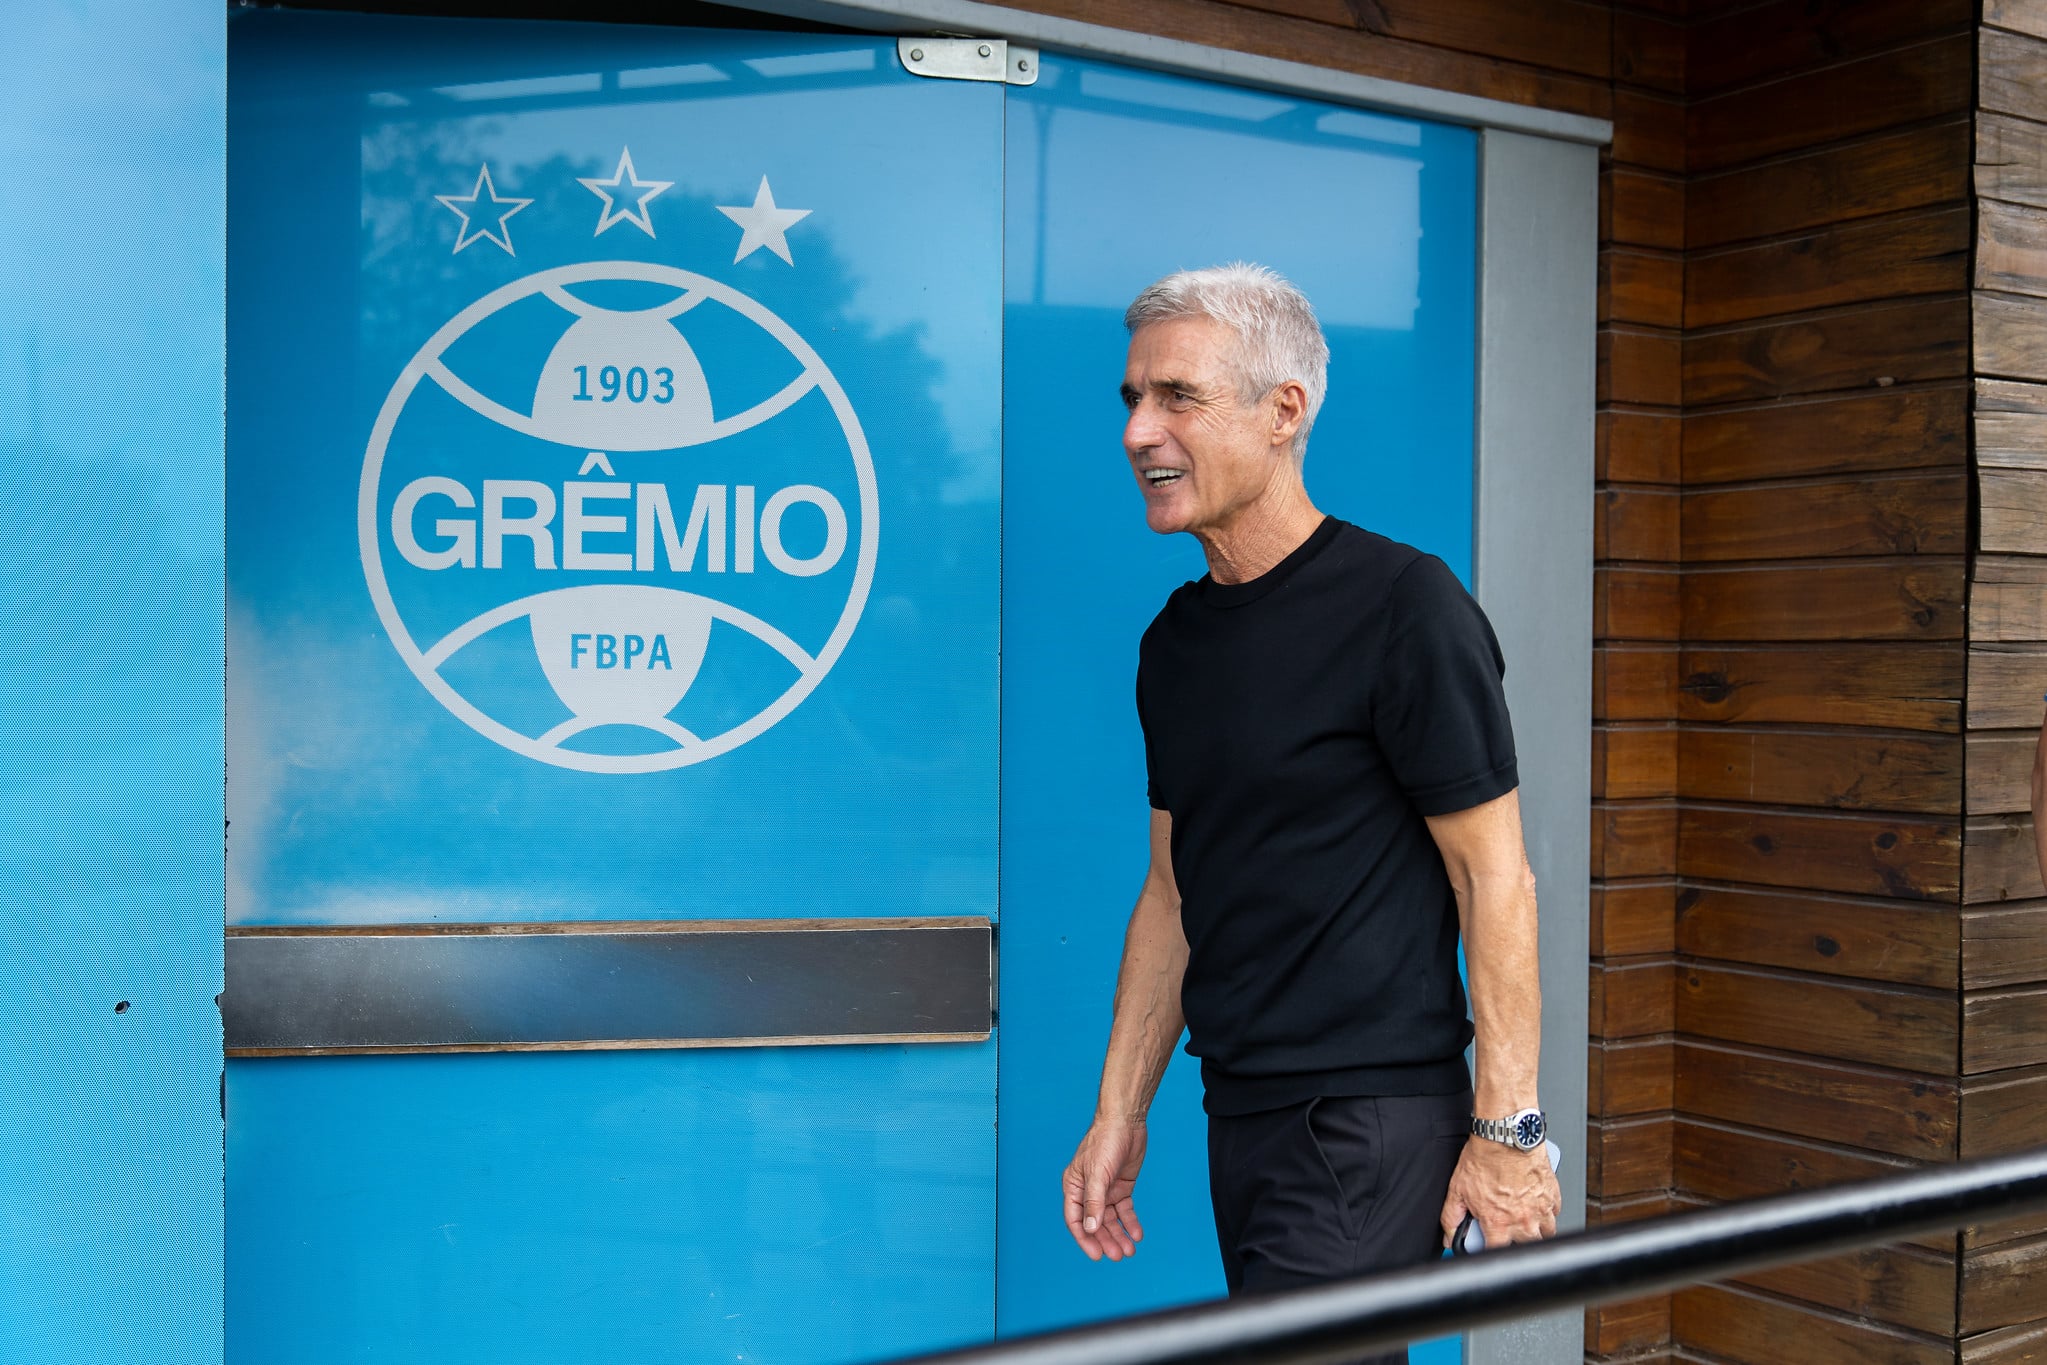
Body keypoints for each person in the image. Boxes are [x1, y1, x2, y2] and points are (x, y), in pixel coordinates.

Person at [1060, 265, 1560, 1350]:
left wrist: (1508, 1129)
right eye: (1132, 400)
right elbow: (1173, 893)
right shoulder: (1176, 642)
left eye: (1177, 397)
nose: (1140, 432)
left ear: (1284, 410)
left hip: (1368, 1117)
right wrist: (1120, 1109)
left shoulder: (1403, 606)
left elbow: (1495, 878)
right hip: (1238, 1108)